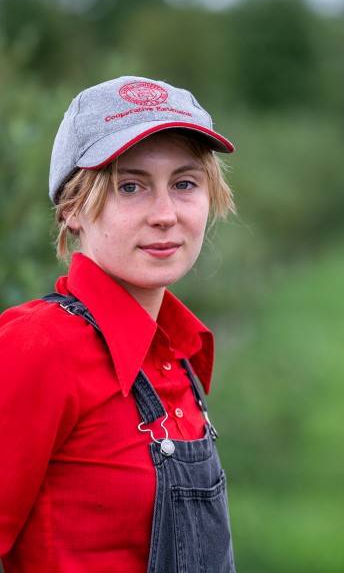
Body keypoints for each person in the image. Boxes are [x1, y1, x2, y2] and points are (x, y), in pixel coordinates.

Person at [0, 76, 237, 572]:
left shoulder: (179, 349)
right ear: (72, 209)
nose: (166, 214)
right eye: (130, 186)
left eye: (184, 183)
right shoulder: (38, 346)